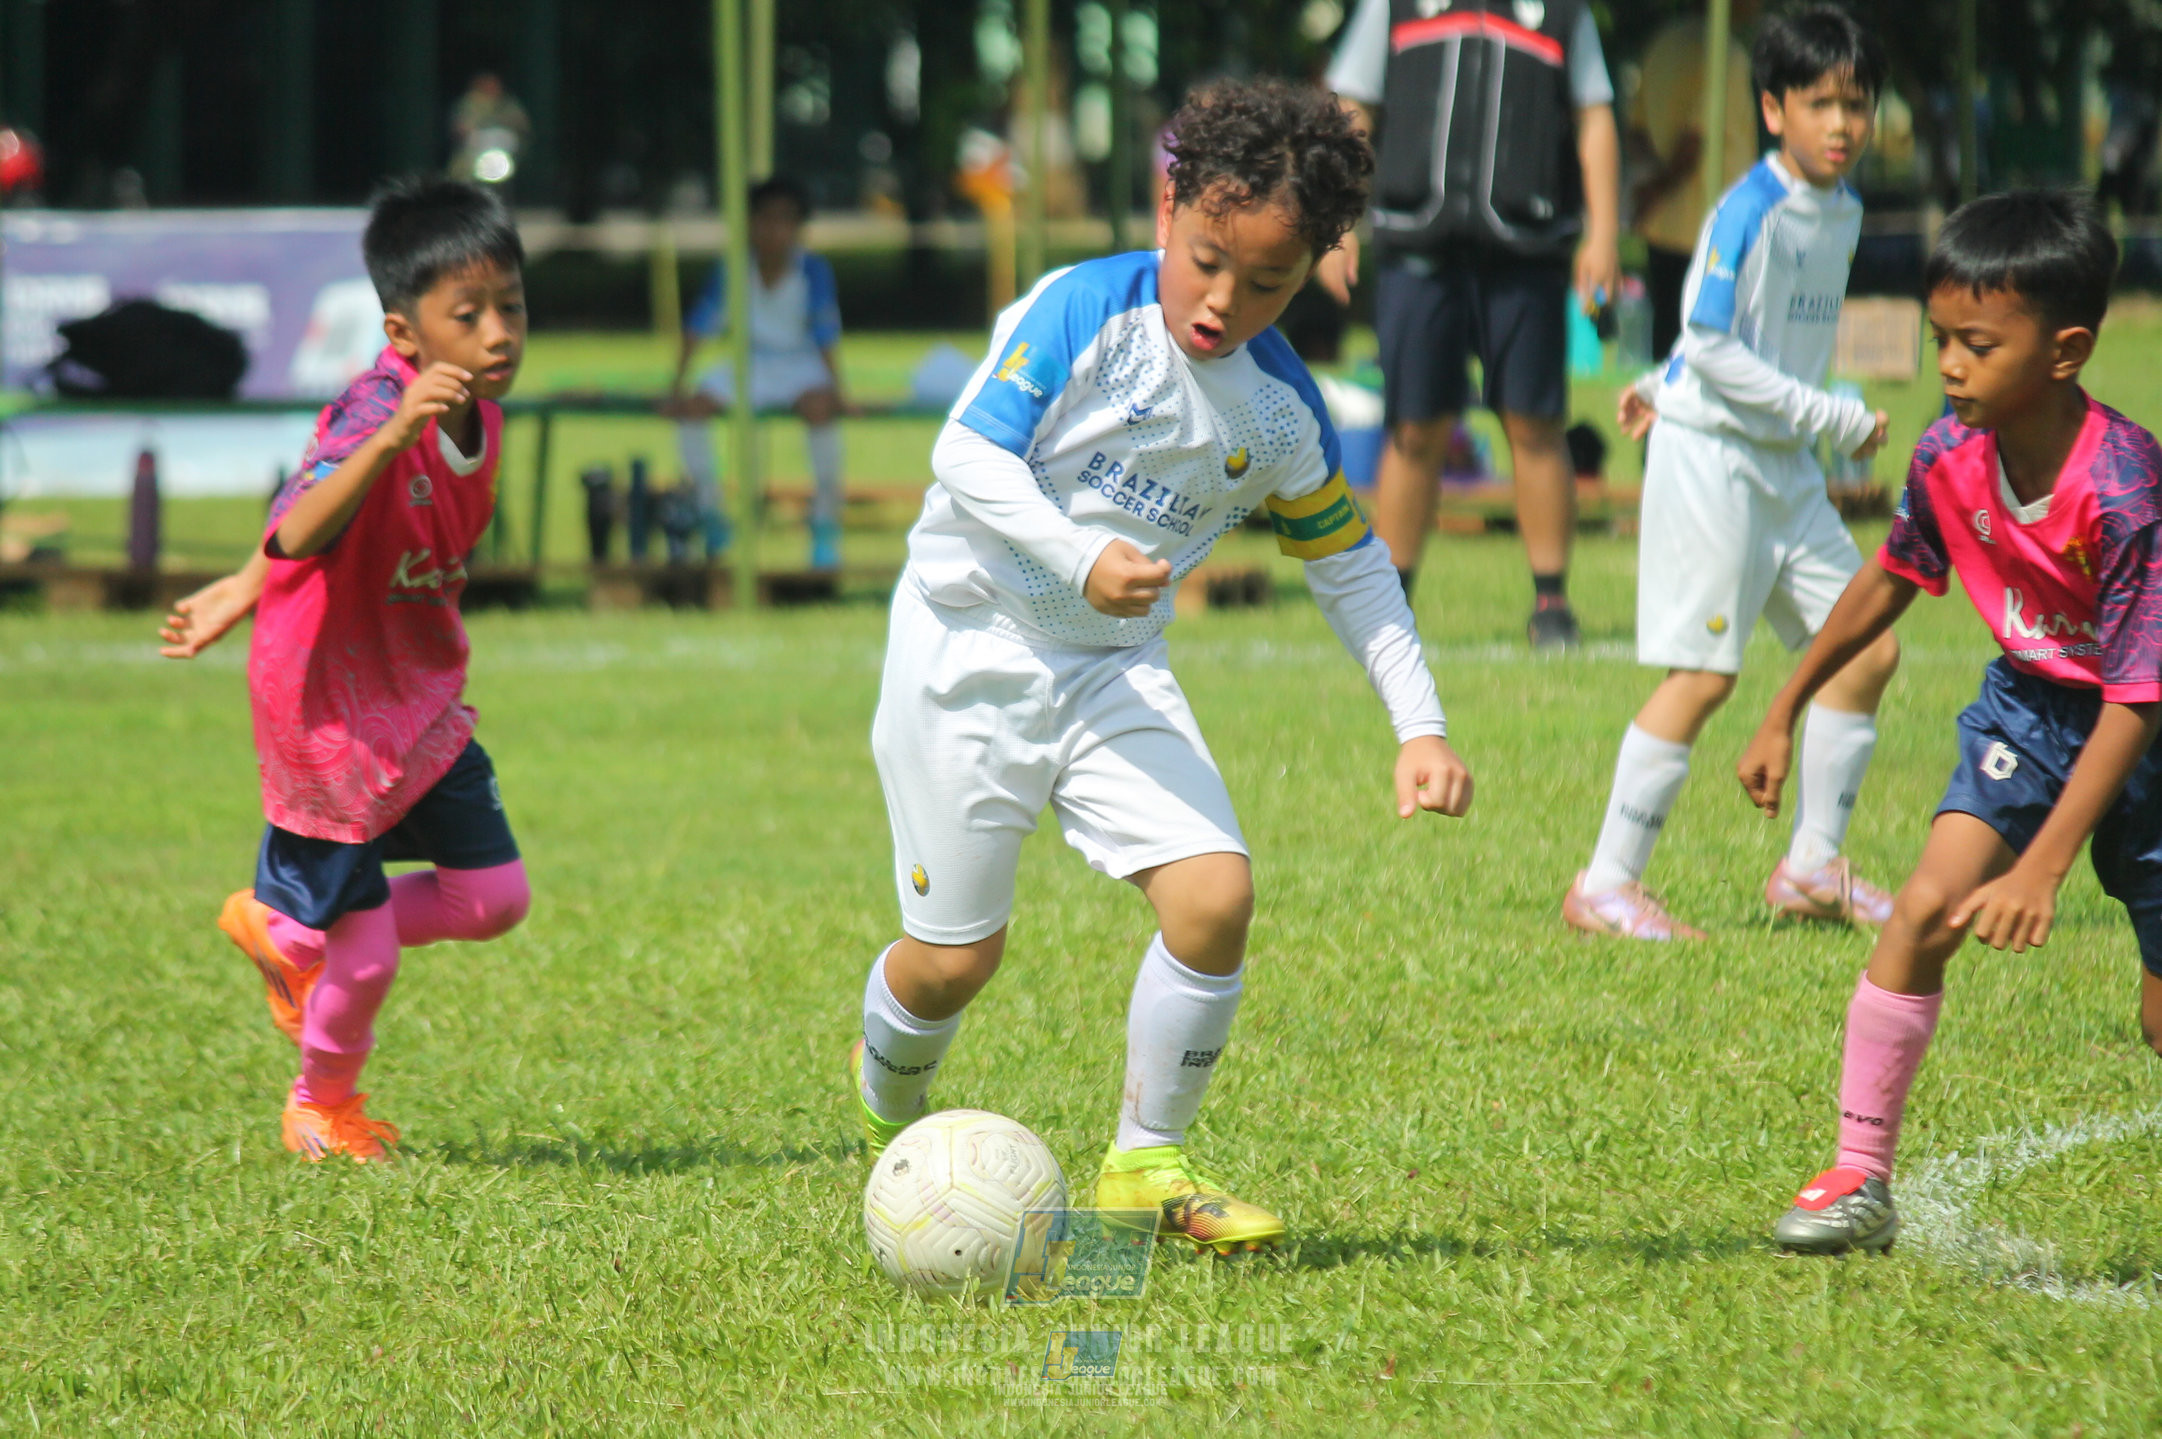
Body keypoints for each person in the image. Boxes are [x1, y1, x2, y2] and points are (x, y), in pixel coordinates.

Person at [852, 79, 1472, 1254]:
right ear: (1169, 205)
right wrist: (1078, 552)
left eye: (1266, 283)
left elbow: (1350, 569)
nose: (1221, 301)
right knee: (951, 962)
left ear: (1318, 270)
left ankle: (1143, 1161)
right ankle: (882, 1106)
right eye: (1204, 261)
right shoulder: (1084, 308)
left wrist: (1419, 726)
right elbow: (966, 453)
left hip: (1110, 669)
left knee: (1213, 895)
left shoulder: (1285, 413)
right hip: (967, 641)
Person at [1745, 191, 2162, 1253]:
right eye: (1940, 339)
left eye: (1976, 343)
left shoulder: (2120, 488)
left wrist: (2041, 868)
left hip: (2141, 737)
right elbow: (1894, 574)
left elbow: (2134, 696)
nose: (1948, 365)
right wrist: (1783, 706)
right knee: (1923, 905)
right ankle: (1856, 1174)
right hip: (2024, 708)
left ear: (2062, 350)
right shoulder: (1945, 452)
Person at [156, 179, 532, 1162]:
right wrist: (393, 434)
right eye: (470, 314)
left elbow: (281, 533)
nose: (498, 332)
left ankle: (289, 930)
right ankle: (320, 1104)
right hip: (327, 711)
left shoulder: (480, 415)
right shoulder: (373, 411)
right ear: (404, 334)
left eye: (511, 306)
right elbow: (305, 521)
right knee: (363, 960)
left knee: (493, 897)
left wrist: (238, 584)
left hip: (416, 695)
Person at [1563, 8, 1895, 941]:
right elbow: (1708, 339)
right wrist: (1823, 411)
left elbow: (1737, 341)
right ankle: (1606, 884)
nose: (1841, 124)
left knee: (1866, 647)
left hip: (1782, 467)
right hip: (1715, 466)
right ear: (1773, 108)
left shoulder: (1845, 211)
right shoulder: (1746, 208)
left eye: (1857, 104)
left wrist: (1659, 380)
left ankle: (1815, 866)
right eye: (1821, 103)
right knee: (1703, 674)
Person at [1320, 0, 1623, 647]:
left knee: (1535, 424)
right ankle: (1391, 602)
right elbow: (1353, 107)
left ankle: (1551, 603)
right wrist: (1337, 218)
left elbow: (1594, 117)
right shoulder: (1396, 8)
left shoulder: (1564, 15)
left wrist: (1603, 232)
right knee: (1414, 426)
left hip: (1527, 256)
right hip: (1418, 251)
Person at [668, 176, 848, 570]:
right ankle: (710, 512)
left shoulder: (813, 270)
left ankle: (824, 523)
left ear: (799, 229)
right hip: (748, 364)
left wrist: (839, 390)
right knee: (693, 409)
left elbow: (825, 334)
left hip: (800, 364)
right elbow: (697, 328)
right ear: (749, 223)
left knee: (821, 411)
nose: (774, 231)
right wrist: (677, 388)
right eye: (765, 219)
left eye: (785, 221)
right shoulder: (732, 269)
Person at [1629, 0, 1762, 362]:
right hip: (1714, 231)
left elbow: (1636, 132)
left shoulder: (1661, 45)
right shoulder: (1727, 55)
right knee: (1713, 353)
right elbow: (1694, 142)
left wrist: (1651, 192)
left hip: (1662, 228)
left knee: (1666, 353)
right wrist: (1661, 186)